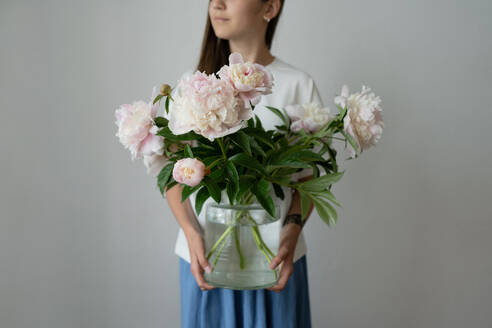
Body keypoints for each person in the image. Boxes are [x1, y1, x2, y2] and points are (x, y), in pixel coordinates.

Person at [165, 0, 325, 327]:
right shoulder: (194, 84)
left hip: (274, 262)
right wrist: (191, 232)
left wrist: (291, 232)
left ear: (270, 7)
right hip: (206, 260)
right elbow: (169, 170)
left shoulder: (297, 84)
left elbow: (311, 177)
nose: (217, 4)